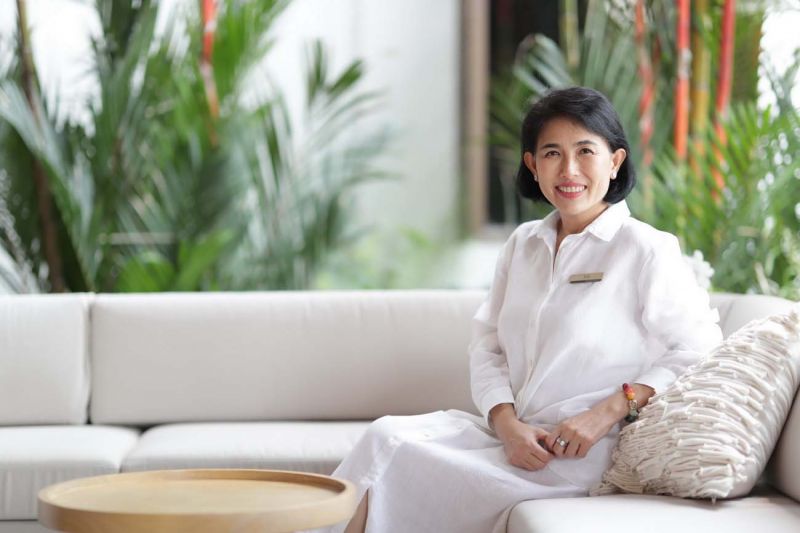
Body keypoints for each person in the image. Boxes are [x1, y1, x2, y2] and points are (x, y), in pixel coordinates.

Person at [316, 86, 723, 533]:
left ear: (615, 161)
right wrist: (507, 425)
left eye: (585, 151)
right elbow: (487, 346)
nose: (569, 170)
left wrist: (607, 412)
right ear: (532, 164)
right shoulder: (523, 244)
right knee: (384, 436)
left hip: (577, 456)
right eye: (552, 153)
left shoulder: (645, 248)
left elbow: (700, 349)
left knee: (399, 466)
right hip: (511, 439)